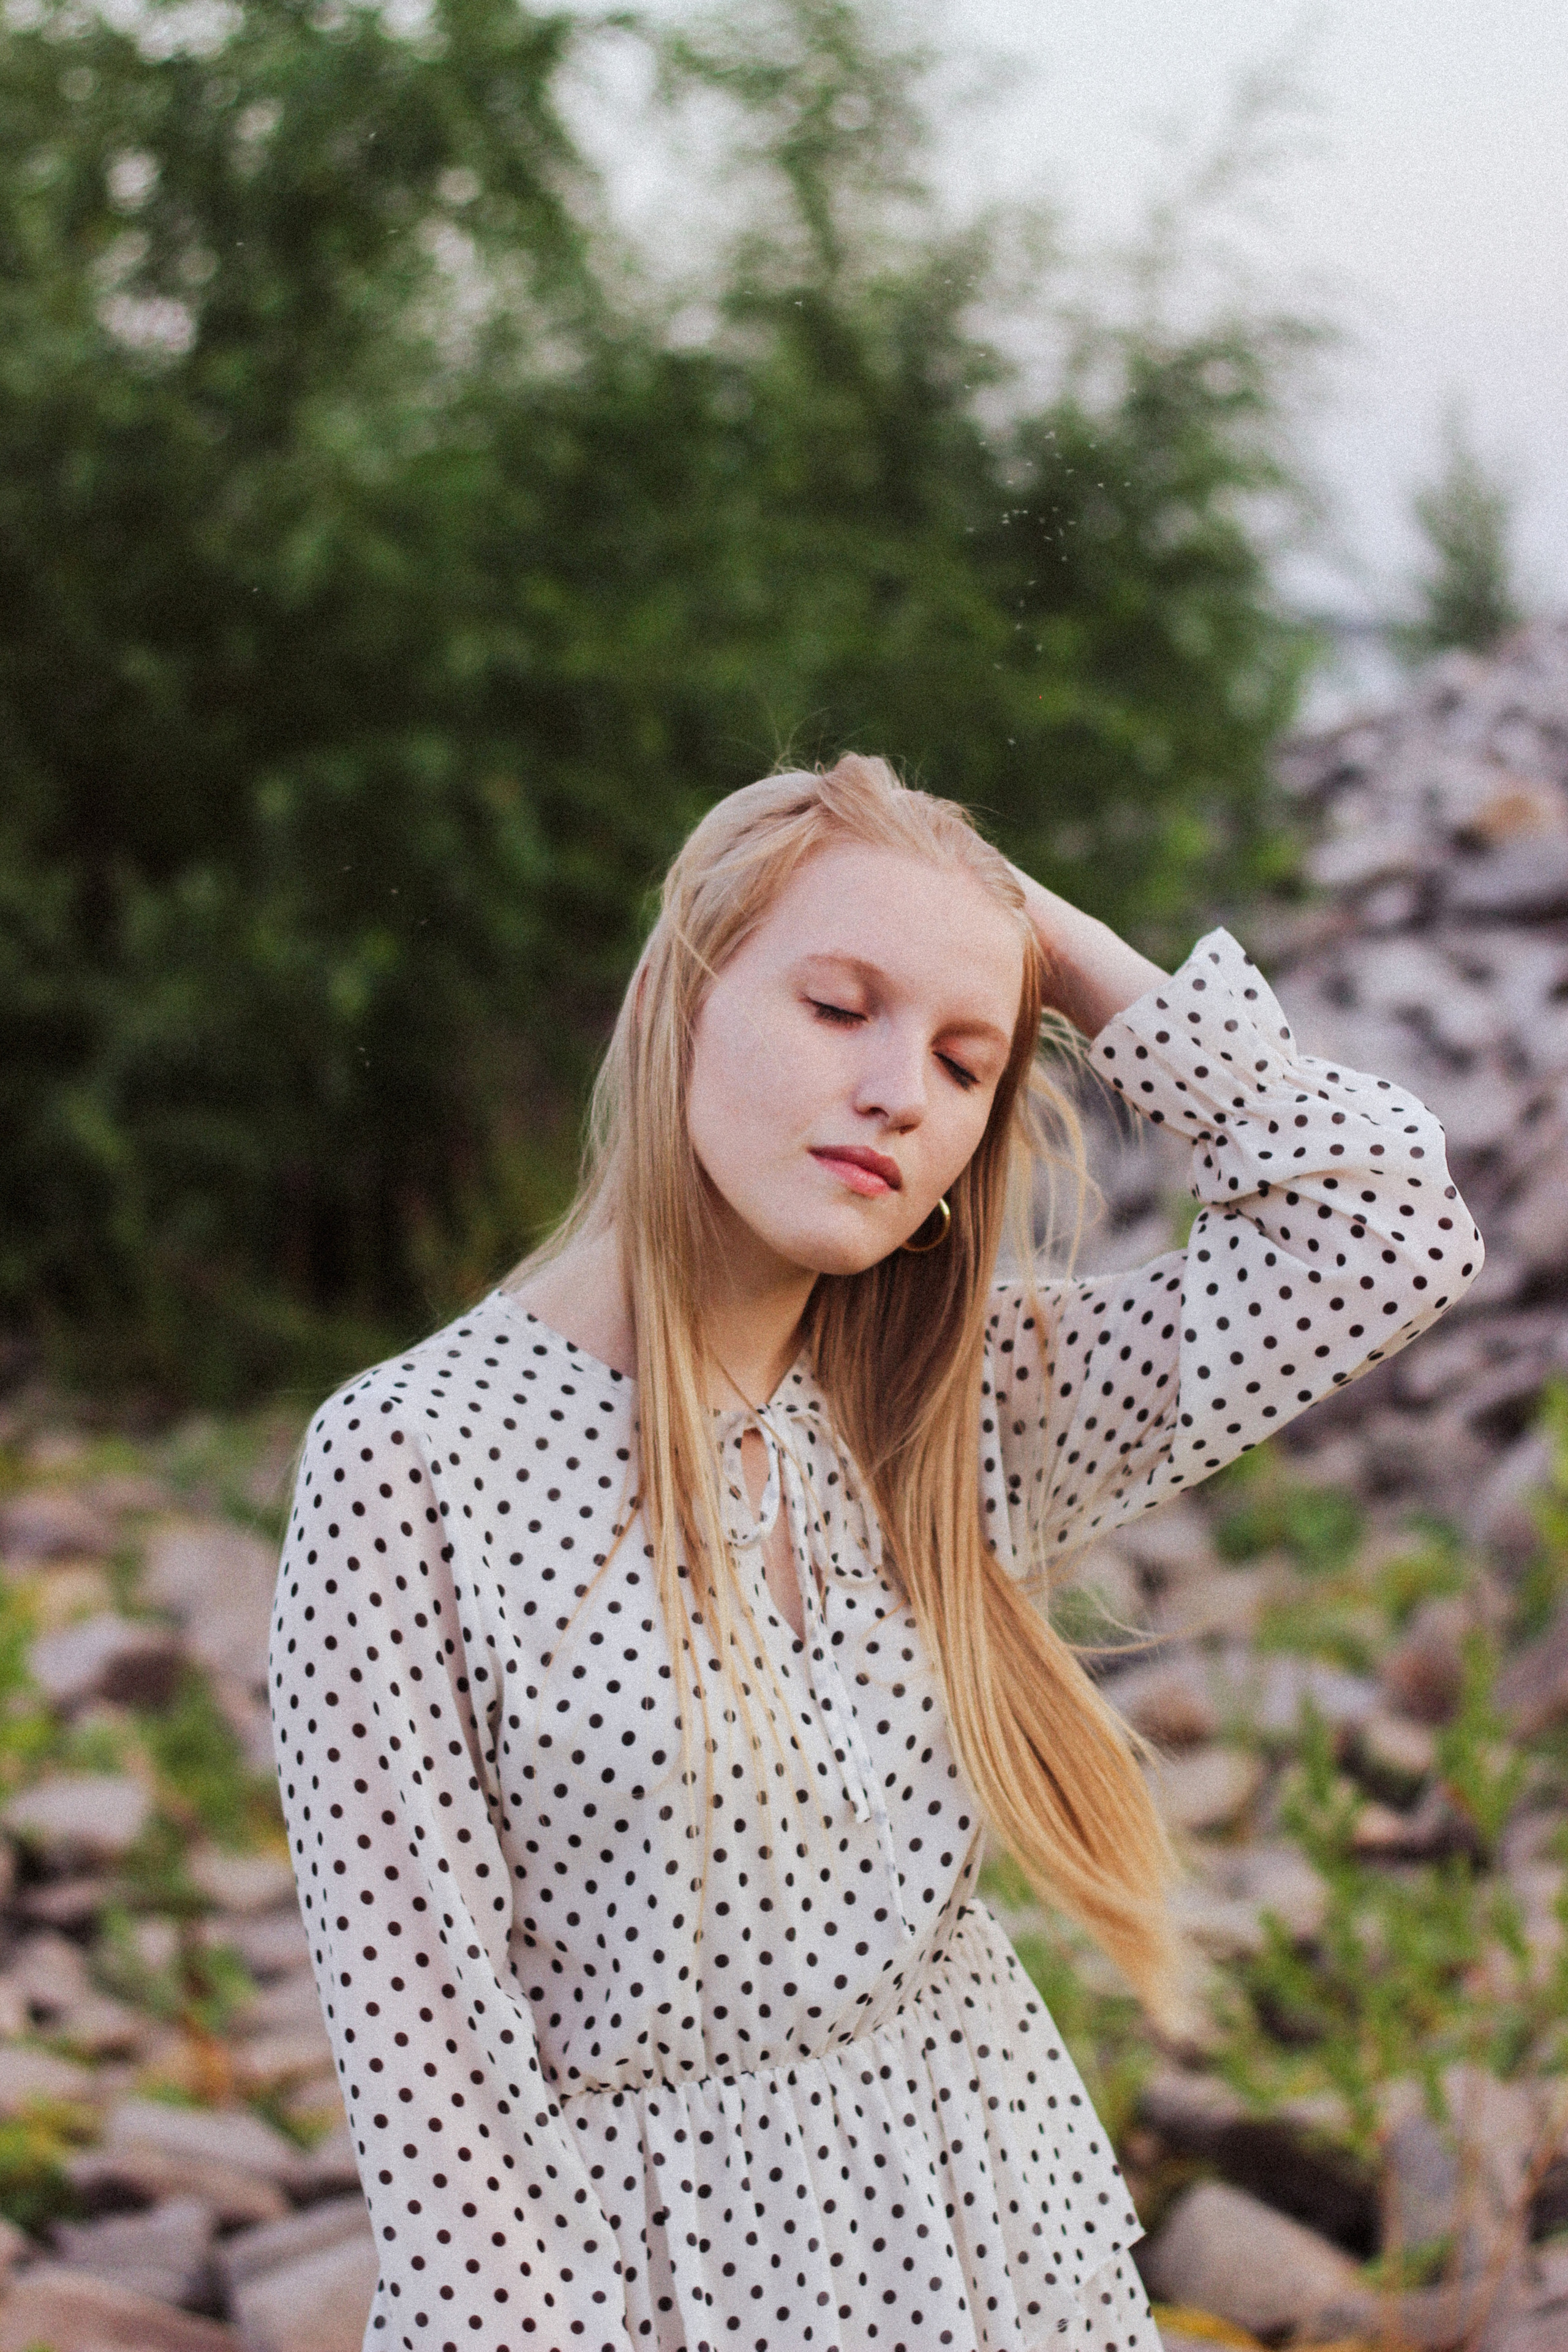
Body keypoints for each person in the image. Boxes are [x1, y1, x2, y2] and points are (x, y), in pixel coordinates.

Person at [271, 755, 1482, 2352]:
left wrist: (1036, 933)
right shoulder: (409, 1466)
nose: (903, 1089)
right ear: (677, 999)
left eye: (966, 1060)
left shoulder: (961, 1404)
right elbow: (439, 2106)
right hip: (647, 2284)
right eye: (840, 1008)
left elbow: (1387, 1231)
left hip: (996, 2234)